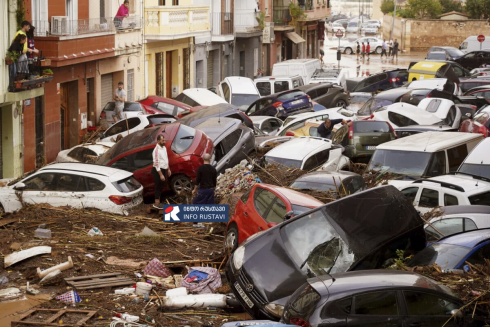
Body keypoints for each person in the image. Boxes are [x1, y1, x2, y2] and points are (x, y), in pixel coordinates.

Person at [152, 135, 171, 209]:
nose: (164, 142)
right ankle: (156, 204)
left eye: (164, 140)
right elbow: (156, 163)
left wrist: (168, 169)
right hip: (157, 170)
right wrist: (161, 175)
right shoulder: (156, 150)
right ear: (158, 141)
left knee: (162, 185)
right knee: (158, 186)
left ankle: (160, 201)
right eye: (163, 140)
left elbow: (166, 159)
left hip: (163, 169)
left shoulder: (164, 148)